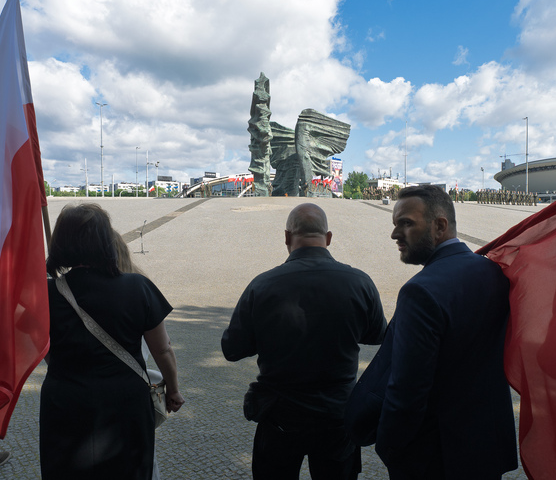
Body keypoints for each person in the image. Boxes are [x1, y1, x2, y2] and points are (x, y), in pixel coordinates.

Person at [346, 185, 517, 479]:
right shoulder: (495, 274)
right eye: (395, 224)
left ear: (439, 226)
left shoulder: (420, 291)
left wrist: (389, 448)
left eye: (406, 223)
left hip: (436, 457)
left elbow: (407, 391)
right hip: (487, 448)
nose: (395, 234)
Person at [221, 203, 387, 480]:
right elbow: (377, 335)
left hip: (280, 416)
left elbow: (232, 350)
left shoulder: (262, 286)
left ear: (287, 237)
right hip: (337, 414)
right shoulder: (360, 282)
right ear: (329, 237)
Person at [40, 204, 184, 480]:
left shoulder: (46, 293)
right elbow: (163, 349)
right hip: (125, 401)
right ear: (105, 241)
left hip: (65, 399)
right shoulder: (137, 286)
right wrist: (173, 390)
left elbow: (43, 349)